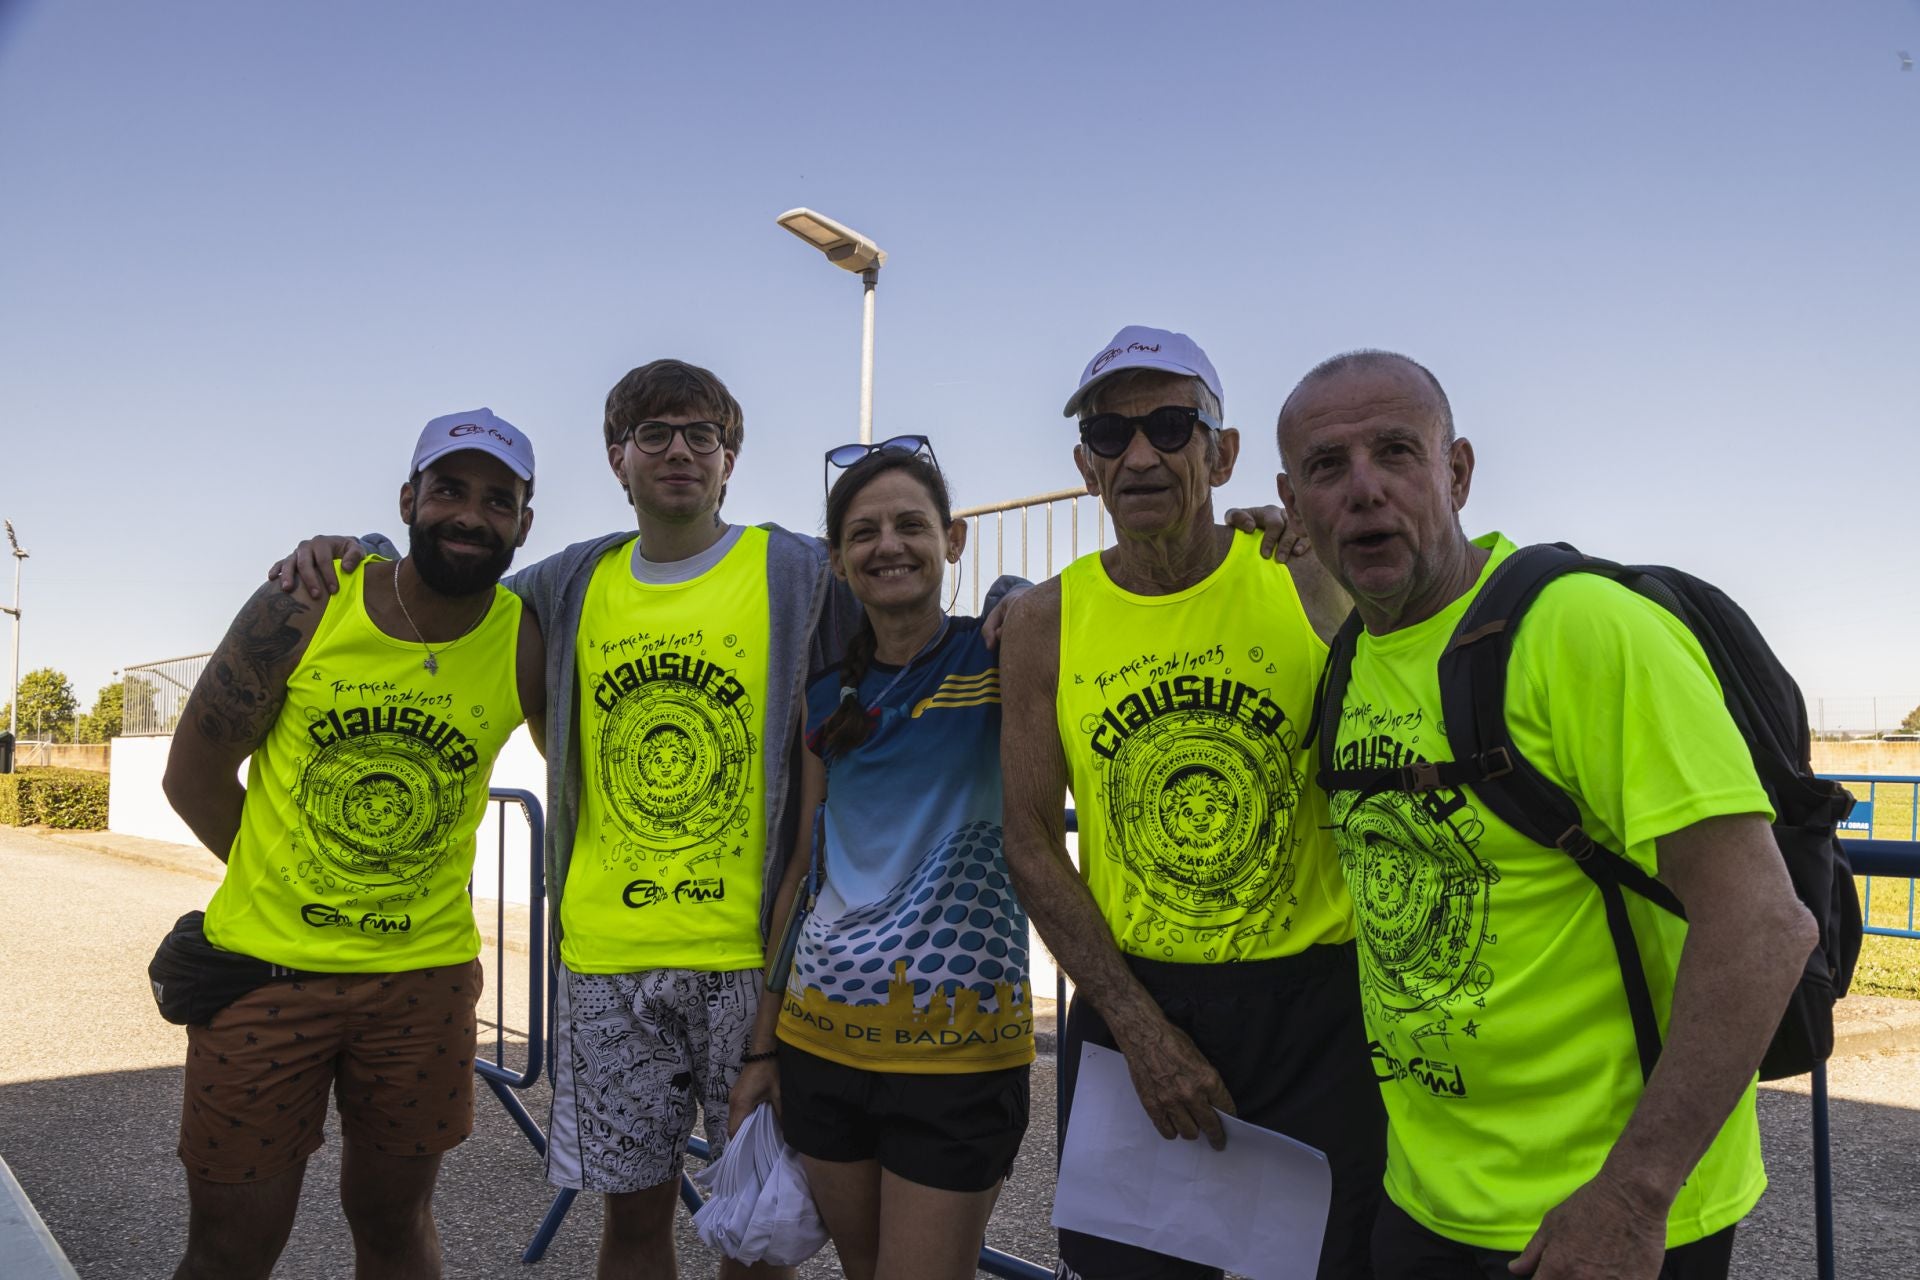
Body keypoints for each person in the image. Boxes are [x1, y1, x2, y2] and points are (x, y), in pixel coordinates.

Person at [1272, 350, 1818, 1279]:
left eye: (1397, 452)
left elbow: (1764, 924)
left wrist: (1634, 1196)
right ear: (1295, 503)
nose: (1364, 489)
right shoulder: (1356, 654)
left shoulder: (1581, 630)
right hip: (1425, 1201)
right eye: (1328, 467)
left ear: (1459, 472)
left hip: (1599, 1218)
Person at [997, 326, 1386, 1280]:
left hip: (1317, 1012)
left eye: (1173, 426)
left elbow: (1402, 720)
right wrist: (1137, 1028)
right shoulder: (1047, 620)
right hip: (1139, 1001)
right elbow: (1033, 841)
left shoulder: (1305, 573)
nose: (1140, 455)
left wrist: (1312, 552)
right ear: (1085, 465)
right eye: (1110, 433)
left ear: (1224, 451)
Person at [162, 409, 545, 1280]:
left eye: (498, 500)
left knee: (395, 1222)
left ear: (524, 524)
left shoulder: (523, 637)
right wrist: (299, 884)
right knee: (233, 1243)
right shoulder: (308, 601)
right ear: (409, 498)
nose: (470, 515)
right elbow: (192, 776)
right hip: (264, 976)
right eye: (450, 489)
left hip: (422, 988)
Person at [726, 440, 1033, 1280]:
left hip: (959, 1057)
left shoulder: (1005, 656)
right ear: (837, 562)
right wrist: (762, 1050)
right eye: (864, 532)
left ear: (954, 540)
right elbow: (801, 874)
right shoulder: (826, 695)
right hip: (821, 1047)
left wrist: (1031, 599)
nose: (888, 545)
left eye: (911, 525)